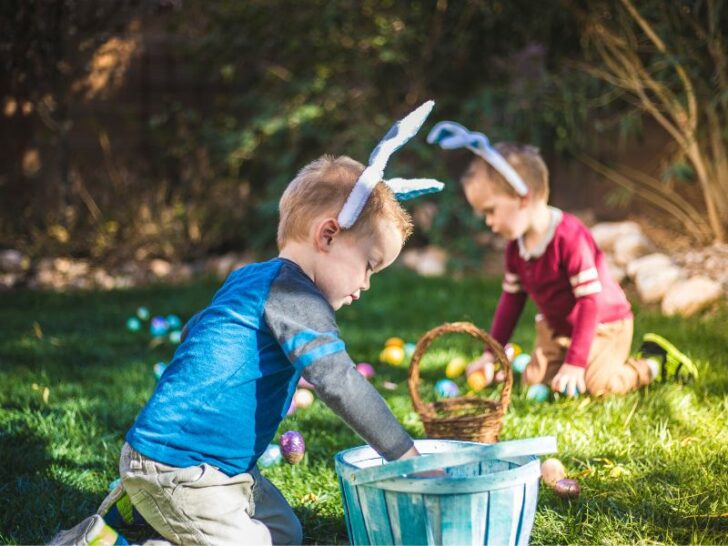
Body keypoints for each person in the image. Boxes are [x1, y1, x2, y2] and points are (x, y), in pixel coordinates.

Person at [50, 102, 445, 546]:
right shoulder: (297, 296)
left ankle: (138, 510)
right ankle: (103, 540)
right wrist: (406, 457)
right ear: (328, 235)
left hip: (222, 466)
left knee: (285, 534)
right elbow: (340, 381)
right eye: (369, 266)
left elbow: (197, 331)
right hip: (181, 466)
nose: (367, 284)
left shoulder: (252, 277)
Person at [427, 121, 698, 398]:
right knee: (534, 384)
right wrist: (491, 354)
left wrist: (575, 363)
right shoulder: (516, 248)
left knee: (599, 386)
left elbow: (590, 302)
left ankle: (654, 363)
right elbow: (511, 302)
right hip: (557, 328)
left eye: (491, 211)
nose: (489, 222)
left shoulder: (569, 237)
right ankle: (557, 362)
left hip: (604, 324)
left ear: (522, 198)